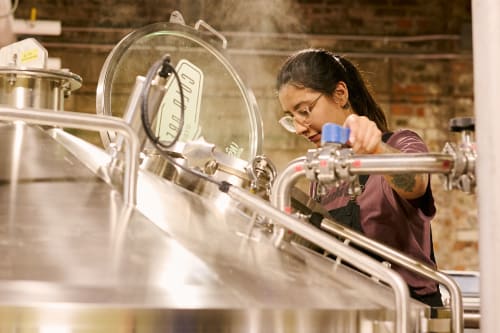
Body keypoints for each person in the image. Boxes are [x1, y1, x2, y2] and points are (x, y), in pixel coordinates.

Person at [275, 48, 443, 307]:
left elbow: (417, 182)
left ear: (340, 94)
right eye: (291, 118)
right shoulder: (322, 177)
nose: (299, 128)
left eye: (305, 110)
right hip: (353, 308)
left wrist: (378, 150)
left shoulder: (402, 143)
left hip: (406, 311)